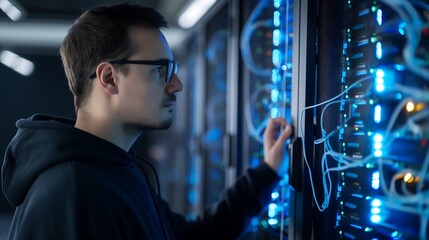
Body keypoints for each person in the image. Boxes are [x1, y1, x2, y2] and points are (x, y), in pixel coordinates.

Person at [1, 3, 293, 240]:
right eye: (161, 70)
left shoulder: (118, 170)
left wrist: (267, 172)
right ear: (109, 78)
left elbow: (190, 237)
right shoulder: (74, 192)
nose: (176, 84)